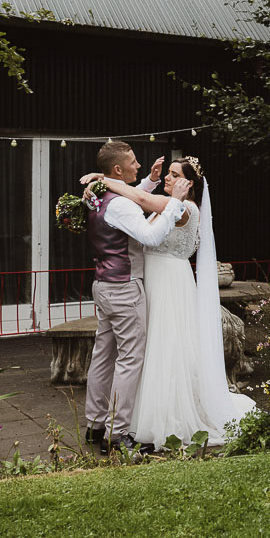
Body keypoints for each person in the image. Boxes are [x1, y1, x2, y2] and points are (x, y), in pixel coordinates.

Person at [85, 155, 256, 449]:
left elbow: (139, 197)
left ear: (188, 184)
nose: (167, 177)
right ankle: (119, 420)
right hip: (150, 280)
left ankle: (164, 415)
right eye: (168, 173)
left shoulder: (184, 207)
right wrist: (143, 181)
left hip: (169, 282)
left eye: (174, 174)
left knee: (166, 346)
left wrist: (103, 181)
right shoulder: (167, 203)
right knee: (143, 349)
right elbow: (140, 198)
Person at [82, 142, 192, 455]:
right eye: (132, 162)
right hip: (124, 289)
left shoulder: (98, 194)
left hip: (102, 285)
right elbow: (150, 236)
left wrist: (151, 183)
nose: (138, 166)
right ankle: (117, 435)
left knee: (103, 355)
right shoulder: (122, 204)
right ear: (117, 170)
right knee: (129, 360)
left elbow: (132, 199)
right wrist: (175, 202)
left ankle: (95, 424)